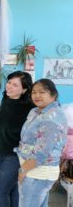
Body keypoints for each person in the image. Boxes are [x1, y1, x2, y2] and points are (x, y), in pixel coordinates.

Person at [15, 79, 68, 207]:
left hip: (38, 172)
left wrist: (23, 170)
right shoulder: (35, 111)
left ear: (53, 95)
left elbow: (42, 153)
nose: (37, 95)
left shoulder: (52, 117)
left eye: (42, 92)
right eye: (34, 92)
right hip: (32, 169)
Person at [0, 71, 34, 207]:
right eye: (9, 82)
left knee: (0, 188)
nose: (9, 86)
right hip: (1, 151)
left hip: (15, 154)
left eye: (15, 85)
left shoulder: (30, 108)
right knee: (11, 188)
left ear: (24, 90)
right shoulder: (6, 98)